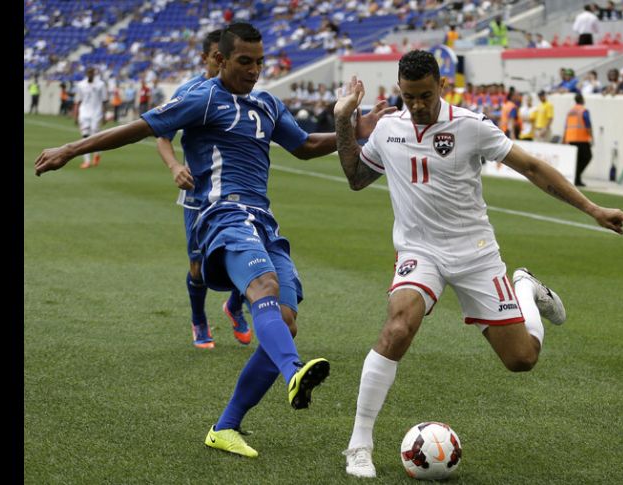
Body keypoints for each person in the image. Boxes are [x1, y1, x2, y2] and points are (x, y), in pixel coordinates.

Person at [34, 21, 393, 459]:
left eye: (260, 62)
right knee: (263, 288)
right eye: (245, 62)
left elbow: (303, 146)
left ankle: (225, 427)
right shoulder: (202, 98)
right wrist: (71, 149)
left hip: (263, 220)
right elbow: (144, 127)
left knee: (285, 320)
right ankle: (293, 371)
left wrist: (357, 129)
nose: (254, 71)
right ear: (221, 60)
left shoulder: (266, 102)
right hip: (221, 216)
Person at [332, 50, 623, 479]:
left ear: (441, 86)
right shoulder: (388, 129)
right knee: (398, 327)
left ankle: (526, 289)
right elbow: (355, 178)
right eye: (408, 97)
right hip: (419, 253)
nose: (417, 106)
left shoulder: (471, 126)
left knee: (521, 360)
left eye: (424, 96)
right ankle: (359, 445)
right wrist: (343, 119)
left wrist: (591, 208)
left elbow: (532, 167)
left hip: (475, 254)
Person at [154, 29, 251, 349]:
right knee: (198, 266)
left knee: (248, 254)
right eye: (216, 58)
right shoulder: (191, 91)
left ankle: (235, 306)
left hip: (238, 193)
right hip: (197, 194)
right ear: (207, 59)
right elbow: (162, 133)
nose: (222, 64)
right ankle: (198, 319)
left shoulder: (244, 91)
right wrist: (174, 167)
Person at [73, 66, 108, 169]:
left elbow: (104, 101)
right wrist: (76, 115)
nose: (90, 74)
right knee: (85, 136)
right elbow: (78, 100)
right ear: (86, 73)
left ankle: (97, 154)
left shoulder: (101, 84)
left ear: (94, 73)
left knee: (95, 136)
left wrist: (104, 116)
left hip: (96, 113)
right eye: (88, 73)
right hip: (84, 113)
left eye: (92, 73)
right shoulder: (81, 85)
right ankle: (87, 161)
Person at [563, 93, 594, 186]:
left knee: (577, 160)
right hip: (581, 139)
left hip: (571, 138)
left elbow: (566, 126)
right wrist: (591, 137)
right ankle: (577, 176)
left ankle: (577, 179)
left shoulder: (570, 111)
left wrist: (564, 138)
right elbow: (588, 125)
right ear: (582, 100)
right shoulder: (583, 110)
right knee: (587, 157)